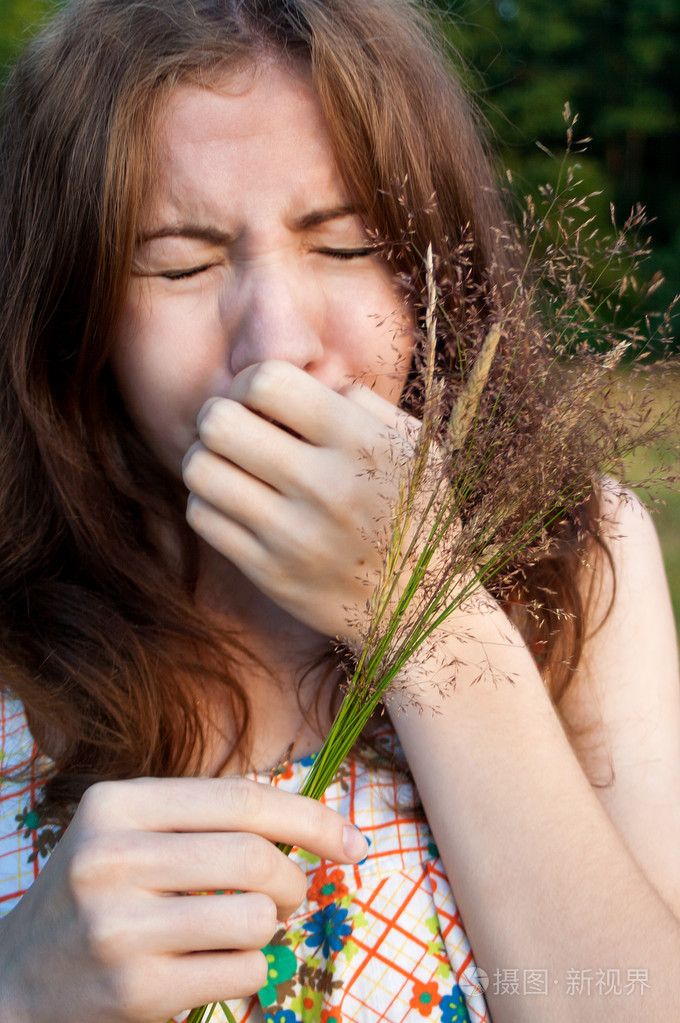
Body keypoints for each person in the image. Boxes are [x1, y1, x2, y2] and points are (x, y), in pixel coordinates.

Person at [0, 1, 679, 1021]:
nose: (275, 345)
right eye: (179, 264)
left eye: (347, 245)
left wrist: (428, 610)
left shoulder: (575, 552)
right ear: (74, 309)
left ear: (431, 272)